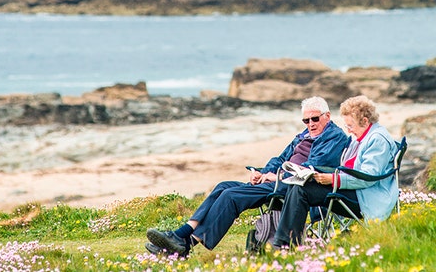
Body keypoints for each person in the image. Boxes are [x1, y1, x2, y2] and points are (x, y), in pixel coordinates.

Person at [144, 95, 350, 257]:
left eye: (315, 118)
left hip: (294, 187)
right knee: (223, 186)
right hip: (276, 180)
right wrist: (261, 173)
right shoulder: (303, 136)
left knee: (231, 196)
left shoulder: (334, 137)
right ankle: (183, 236)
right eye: (306, 120)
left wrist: (274, 177)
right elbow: (280, 158)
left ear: (327, 116)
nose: (310, 123)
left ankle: (183, 242)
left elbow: (310, 168)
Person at [271, 94, 399, 249]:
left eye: (350, 126)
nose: (349, 131)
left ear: (365, 121)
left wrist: (333, 179)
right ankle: (285, 241)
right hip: (352, 188)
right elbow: (347, 167)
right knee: (299, 183)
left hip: (367, 196)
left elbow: (367, 177)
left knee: (301, 190)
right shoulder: (359, 137)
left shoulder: (377, 139)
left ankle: (284, 245)